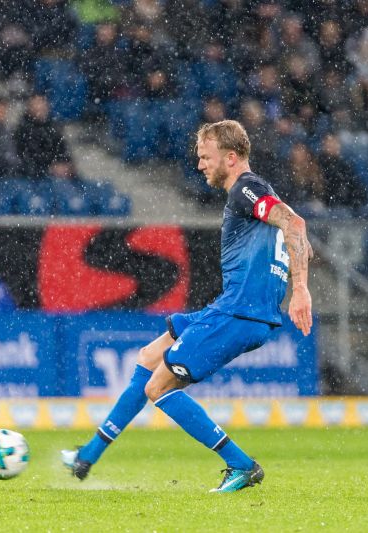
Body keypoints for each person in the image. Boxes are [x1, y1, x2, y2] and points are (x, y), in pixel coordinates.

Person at [62, 119, 313, 493]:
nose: (200, 165)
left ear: (230, 157)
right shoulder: (261, 192)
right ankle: (88, 456)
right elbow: (298, 234)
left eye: (205, 157)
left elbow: (295, 223)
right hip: (233, 308)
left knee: (158, 388)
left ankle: (241, 466)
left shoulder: (246, 188)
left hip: (239, 313)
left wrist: (301, 290)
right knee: (149, 357)